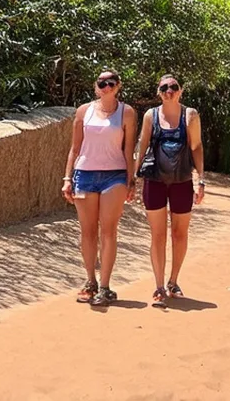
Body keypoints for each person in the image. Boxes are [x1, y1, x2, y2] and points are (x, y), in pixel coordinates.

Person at [61, 69, 139, 306]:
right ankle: (90, 281)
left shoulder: (126, 112)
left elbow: (128, 149)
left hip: (114, 176)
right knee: (87, 231)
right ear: (96, 86)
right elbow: (75, 148)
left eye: (111, 83)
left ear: (118, 86)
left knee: (108, 230)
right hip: (84, 174)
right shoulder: (83, 111)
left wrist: (131, 180)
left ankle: (105, 286)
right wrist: (67, 178)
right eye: (102, 83)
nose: (106, 87)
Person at [134, 73, 205, 308]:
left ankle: (173, 281)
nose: (169, 91)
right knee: (158, 234)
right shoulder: (150, 116)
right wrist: (133, 177)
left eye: (173, 87)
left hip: (182, 181)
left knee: (179, 233)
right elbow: (143, 144)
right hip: (154, 181)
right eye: (164, 88)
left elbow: (196, 147)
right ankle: (158, 286)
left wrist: (201, 179)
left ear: (181, 90)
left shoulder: (190, 115)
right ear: (158, 92)